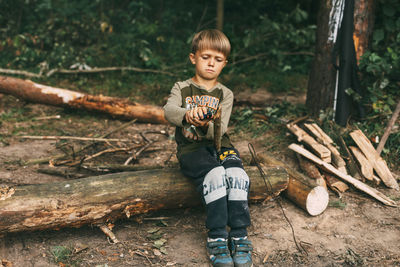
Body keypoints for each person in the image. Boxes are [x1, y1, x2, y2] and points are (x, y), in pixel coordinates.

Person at [163, 29, 253, 267]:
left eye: (218, 59)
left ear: (224, 63)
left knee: (237, 175)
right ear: (194, 57)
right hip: (192, 151)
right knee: (215, 175)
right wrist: (188, 115)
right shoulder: (182, 88)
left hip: (220, 145)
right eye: (206, 57)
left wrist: (205, 124)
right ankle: (217, 237)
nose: (211, 63)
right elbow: (169, 111)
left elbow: (220, 129)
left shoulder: (225, 94)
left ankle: (240, 235)